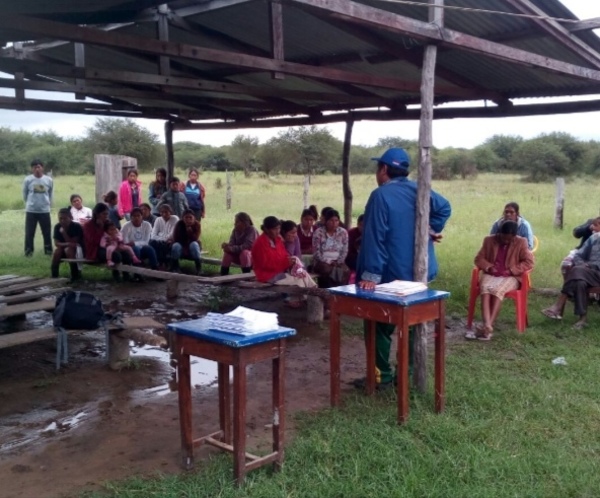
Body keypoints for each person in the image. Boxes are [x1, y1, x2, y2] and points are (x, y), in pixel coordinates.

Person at [356, 148, 451, 390]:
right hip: (421, 273)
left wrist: (370, 275)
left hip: (392, 275)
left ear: (384, 170)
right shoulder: (420, 189)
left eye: (378, 168)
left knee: (377, 324)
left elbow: (375, 237)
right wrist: (430, 228)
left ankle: (381, 376)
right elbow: (444, 207)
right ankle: (406, 374)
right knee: (410, 324)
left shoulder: (380, 195)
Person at [468, 220, 534, 340]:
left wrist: (512, 270)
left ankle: (488, 326)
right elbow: (479, 259)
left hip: (511, 276)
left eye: (509, 240)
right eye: (503, 238)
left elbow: (529, 262)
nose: (505, 241)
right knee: (485, 289)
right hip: (491, 274)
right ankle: (487, 325)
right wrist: (489, 267)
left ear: (514, 236)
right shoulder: (489, 240)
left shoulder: (521, 242)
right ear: (499, 233)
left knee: (498, 290)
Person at [543, 217, 600, 329]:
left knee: (577, 271)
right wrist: (582, 264)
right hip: (588, 273)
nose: (596, 228)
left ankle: (558, 306)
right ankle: (582, 319)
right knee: (579, 281)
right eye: (596, 224)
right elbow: (578, 255)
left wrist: (589, 266)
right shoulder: (594, 238)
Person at [251, 216, 317, 289]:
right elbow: (265, 264)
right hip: (267, 276)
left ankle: (316, 292)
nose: (278, 231)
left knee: (303, 275)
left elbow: (284, 255)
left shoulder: (277, 240)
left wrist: (291, 261)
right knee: (299, 282)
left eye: (279, 228)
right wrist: (285, 263)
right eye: (275, 229)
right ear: (266, 229)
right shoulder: (260, 243)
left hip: (279, 272)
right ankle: (298, 299)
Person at [83, 203, 133, 282]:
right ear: (97, 214)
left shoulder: (108, 222)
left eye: (107, 214)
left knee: (126, 254)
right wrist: (101, 228)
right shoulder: (88, 225)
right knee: (116, 256)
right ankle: (115, 274)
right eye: (104, 214)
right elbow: (93, 240)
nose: (106, 216)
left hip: (111, 245)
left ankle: (126, 275)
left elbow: (116, 233)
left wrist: (116, 239)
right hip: (96, 249)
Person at [23, 158, 53, 256]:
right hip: (31, 210)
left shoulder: (48, 180)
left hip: (44, 210)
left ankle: (48, 251)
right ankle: (28, 252)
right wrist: (30, 203)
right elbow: (25, 194)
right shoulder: (28, 179)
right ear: (32, 169)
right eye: (34, 167)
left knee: (46, 232)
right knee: (29, 233)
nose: (37, 169)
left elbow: (50, 193)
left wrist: (48, 204)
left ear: (42, 168)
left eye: (39, 167)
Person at [312, 209, 350, 288]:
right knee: (327, 270)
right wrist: (328, 261)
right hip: (322, 261)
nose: (334, 223)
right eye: (331, 220)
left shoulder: (343, 232)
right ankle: (327, 292)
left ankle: (341, 292)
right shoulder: (318, 233)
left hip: (338, 261)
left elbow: (345, 250)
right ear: (326, 221)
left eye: (336, 220)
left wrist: (339, 261)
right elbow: (316, 252)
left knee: (346, 271)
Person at [121, 207, 158, 272]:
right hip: (130, 250)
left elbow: (146, 241)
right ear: (131, 217)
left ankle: (155, 270)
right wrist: (134, 244)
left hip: (143, 248)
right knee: (136, 249)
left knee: (150, 249)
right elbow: (126, 242)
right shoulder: (126, 226)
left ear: (142, 216)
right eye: (134, 216)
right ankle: (137, 273)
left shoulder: (147, 225)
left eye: (138, 216)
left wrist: (135, 243)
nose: (136, 218)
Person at [51, 208, 83, 281]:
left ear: (70, 217)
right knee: (57, 252)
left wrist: (64, 233)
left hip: (77, 251)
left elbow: (74, 243)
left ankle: (75, 275)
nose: (62, 221)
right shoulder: (57, 226)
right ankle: (54, 275)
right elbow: (56, 243)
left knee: (69, 250)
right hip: (63, 248)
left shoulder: (76, 226)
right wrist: (67, 244)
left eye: (65, 218)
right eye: (60, 218)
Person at [170, 209, 202, 274]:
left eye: (190, 217)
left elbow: (195, 238)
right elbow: (175, 238)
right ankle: (176, 268)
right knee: (175, 245)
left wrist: (190, 232)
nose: (188, 219)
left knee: (194, 244)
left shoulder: (197, 224)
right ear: (183, 218)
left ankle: (199, 268)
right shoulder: (179, 224)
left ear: (194, 218)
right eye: (186, 217)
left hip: (192, 248)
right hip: (182, 246)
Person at [150, 204, 179, 268]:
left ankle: (163, 264)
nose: (164, 214)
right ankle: (159, 264)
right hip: (161, 242)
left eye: (166, 212)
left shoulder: (175, 219)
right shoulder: (158, 219)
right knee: (153, 243)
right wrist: (162, 240)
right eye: (162, 212)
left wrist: (161, 238)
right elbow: (153, 235)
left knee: (165, 245)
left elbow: (172, 235)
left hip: (170, 242)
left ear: (170, 212)